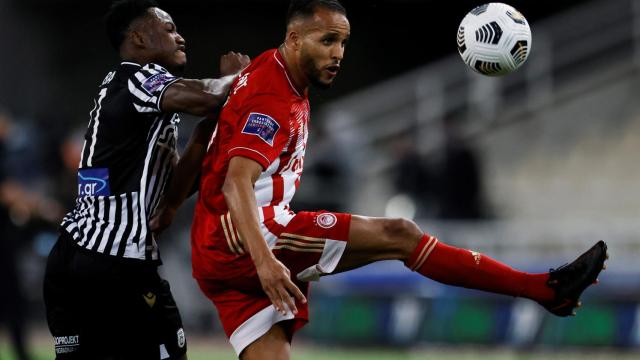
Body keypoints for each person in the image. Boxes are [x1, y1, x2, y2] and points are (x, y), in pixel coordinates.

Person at [153, 0, 607, 358]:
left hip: (216, 249)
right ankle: (544, 289)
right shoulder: (271, 98)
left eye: (344, 42)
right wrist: (266, 261)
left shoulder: (268, 72)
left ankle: (546, 290)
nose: (338, 54)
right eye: (326, 40)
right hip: (248, 240)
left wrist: (171, 206)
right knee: (400, 235)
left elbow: (206, 139)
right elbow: (236, 183)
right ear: (294, 38)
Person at [42, 0, 249, 359]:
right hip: (115, 261)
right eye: (169, 29)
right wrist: (239, 76)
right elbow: (208, 95)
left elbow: (178, 176)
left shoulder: (131, 97)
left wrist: (205, 134)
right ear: (138, 38)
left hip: (77, 258)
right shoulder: (137, 77)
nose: (180, 37)